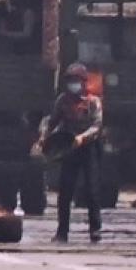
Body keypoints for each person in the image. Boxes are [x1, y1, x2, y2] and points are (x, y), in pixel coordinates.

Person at [35, 63, 104, 243]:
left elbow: (97, 126)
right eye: (70, 81)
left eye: (76, 80)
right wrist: (44, 137)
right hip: (69, 146)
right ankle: (62, 232)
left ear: (83, 82)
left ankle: (95, 230)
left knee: (92, 190)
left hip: (89, 147)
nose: (73, 84)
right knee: (65, 192)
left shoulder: (93, 102)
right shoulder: (63, 101)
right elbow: (51, 122)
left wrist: (82, 138)